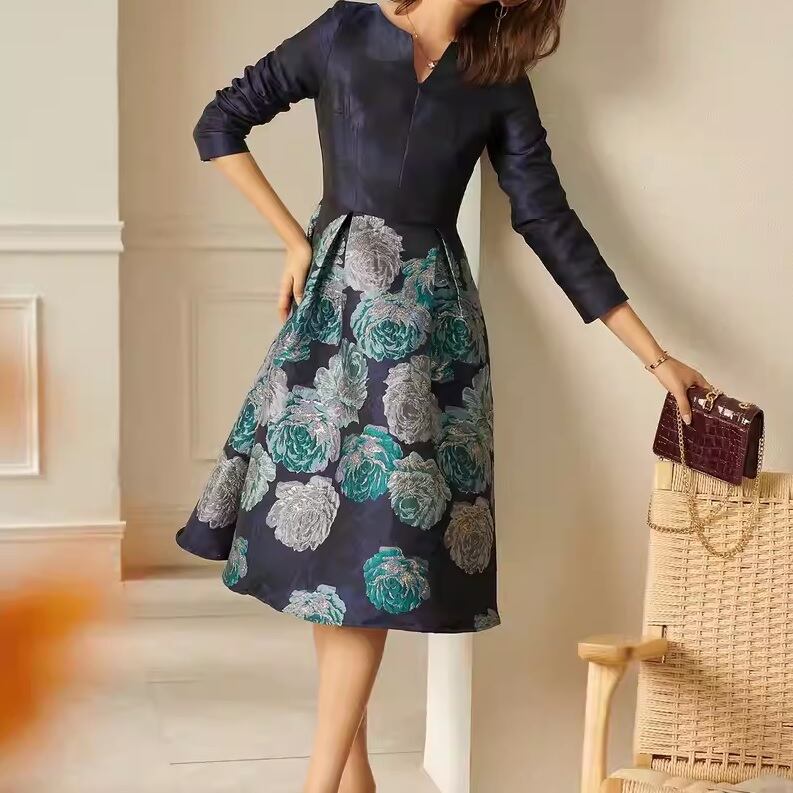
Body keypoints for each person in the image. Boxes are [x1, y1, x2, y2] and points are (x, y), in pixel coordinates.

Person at [176, 2, 712, 791]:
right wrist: (294, 240)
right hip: (334, 320)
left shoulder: (497, 75)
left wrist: (653, 356)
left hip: (427, 340)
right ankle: (339, 779)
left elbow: (547, 219)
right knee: (335, 557)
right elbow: (219, 122)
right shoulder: (346, 28)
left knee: (371, 548)